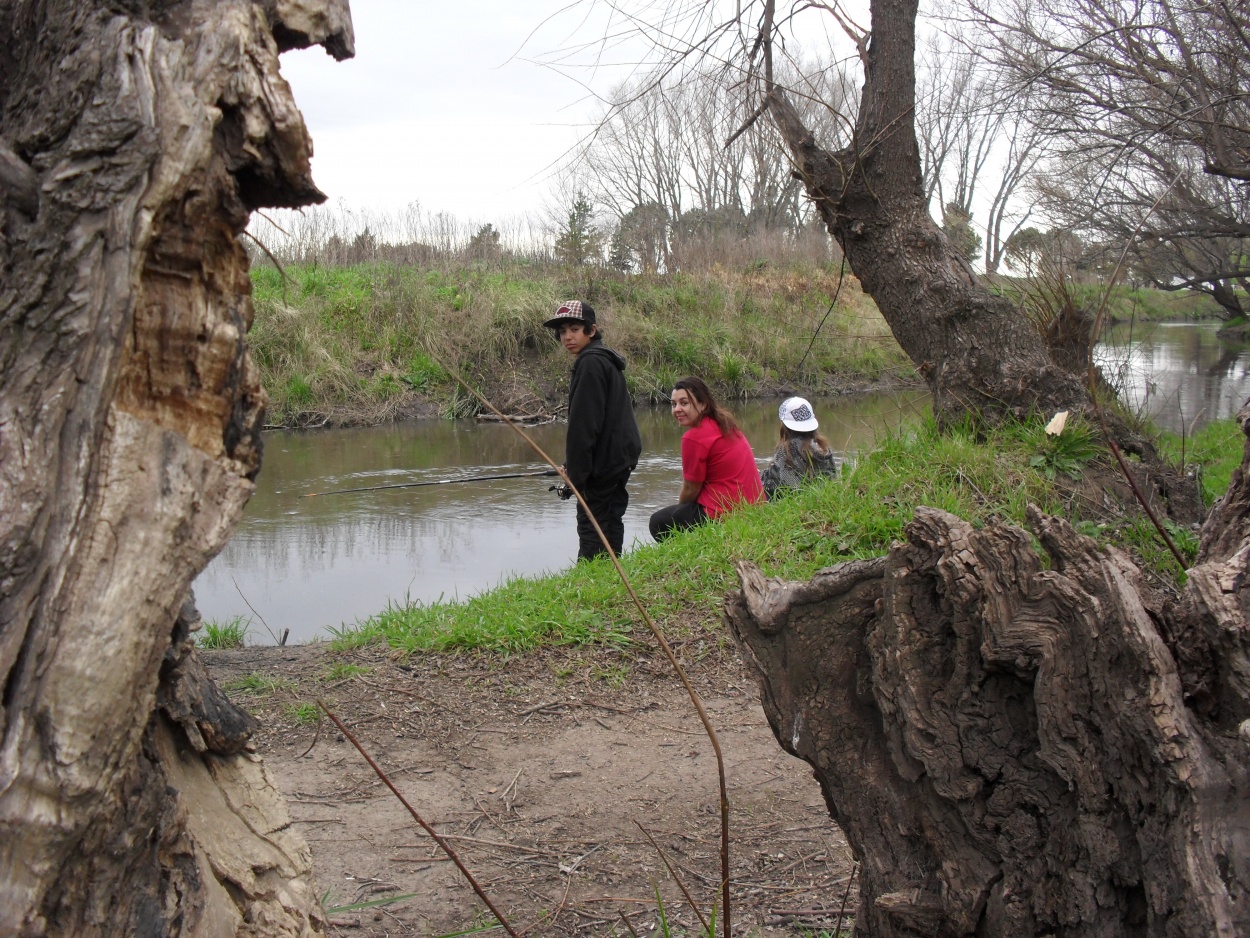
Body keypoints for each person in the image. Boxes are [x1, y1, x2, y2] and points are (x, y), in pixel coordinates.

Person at [544, 300, 642, 560]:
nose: (567, 337)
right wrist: (573, 467)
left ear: (591, 330)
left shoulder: (590, 364)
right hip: (619, 459)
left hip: (606, 464)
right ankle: (611, 573)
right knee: (610, 518)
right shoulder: (603, 360)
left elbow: (583, 427)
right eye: (562, 331)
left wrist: (576, 477)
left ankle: (592, 580)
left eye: (574, 329)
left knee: (592, 524)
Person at [649, 376, 763, 541]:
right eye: (673, 404)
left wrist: (680, 510)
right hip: (753, 507)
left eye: (684, 403)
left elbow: (690, 489)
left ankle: (685, 553)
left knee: (659, 522)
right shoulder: (725, 423)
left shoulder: (694, 437)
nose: (677, 409)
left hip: (726, 512)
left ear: (703, 404)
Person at [760, 396, 840, 499]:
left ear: (784, 425)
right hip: (822, 500)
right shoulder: (823, 448)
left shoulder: (786, 451)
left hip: (789, 504)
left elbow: (776, 487)